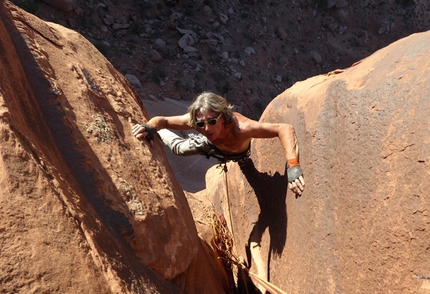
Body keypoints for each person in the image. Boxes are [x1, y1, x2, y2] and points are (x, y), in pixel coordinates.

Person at [132, 92, 305, 195]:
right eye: (200, 124)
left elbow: (284, 129)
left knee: (249, 172)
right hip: (212, 146)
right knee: (179, 148)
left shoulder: (242, 129)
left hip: (241, 152)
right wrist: (151, 127)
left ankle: (242, 162)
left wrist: (293, 165)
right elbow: (163, 120)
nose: (206, 128)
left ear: (223, 116)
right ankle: (159, 134)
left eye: (212, 121)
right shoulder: (199, 123)